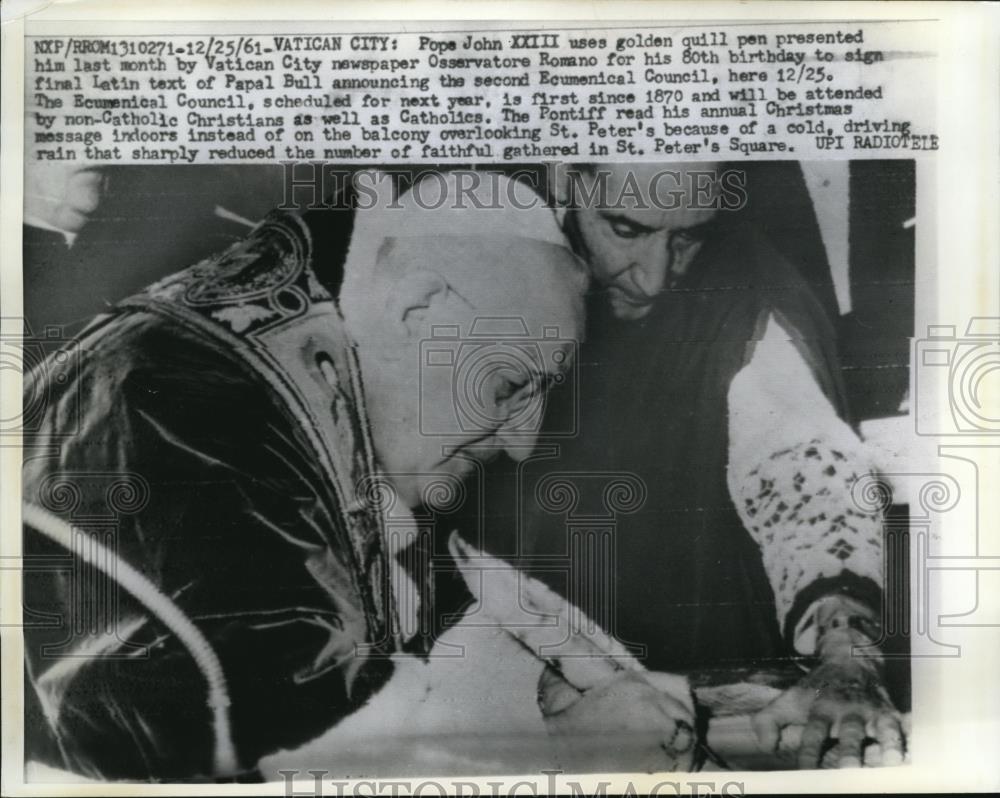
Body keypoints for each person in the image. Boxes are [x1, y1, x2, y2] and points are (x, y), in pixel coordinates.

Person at [21, 171, 593, 780]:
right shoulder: (182, 409)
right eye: (510, 387)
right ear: (416, 307)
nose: (523, 444)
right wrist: (568, 752)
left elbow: (404, 607)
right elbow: (313, 743)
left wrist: (541, 691)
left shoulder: (335, 367)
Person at [512, 162, 906, 769]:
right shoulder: (501, 250)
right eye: (624, 228)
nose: (655, 278)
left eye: (686, 240)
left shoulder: (749, 298)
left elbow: (802, 459)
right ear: (566, 183)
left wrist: (845, 650)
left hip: (711, 714)